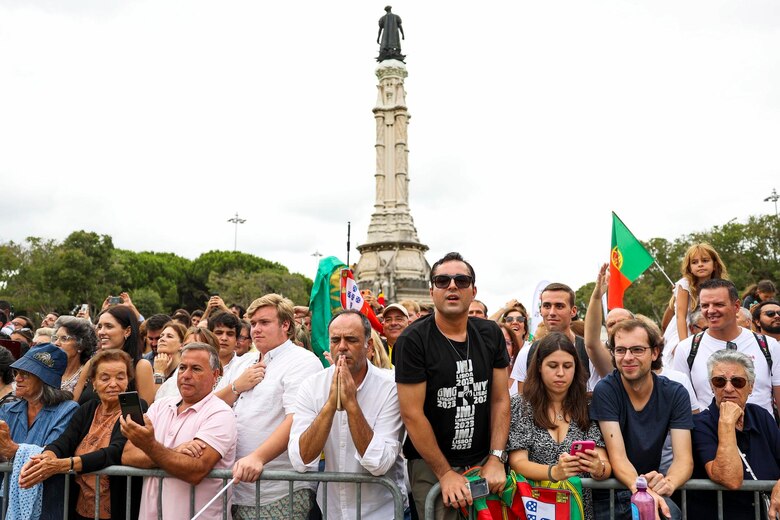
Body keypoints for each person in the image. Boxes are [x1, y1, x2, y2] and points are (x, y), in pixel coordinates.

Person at [395, 252, 510, 520]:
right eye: (443, 280)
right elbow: (412, 414)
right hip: (431, 465)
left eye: (461, 280)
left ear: (473, 290)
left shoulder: (490, 333)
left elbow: (500, 400)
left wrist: (496, 458)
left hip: (483, 461)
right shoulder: (412, 341)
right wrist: (445, 473)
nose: (452, 286)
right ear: (431, 290)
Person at [288, 310, 407, 519]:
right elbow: (301, 460)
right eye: (335, 340)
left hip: (383, 513)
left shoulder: (391, 386)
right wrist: (331, 405)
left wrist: (351, 404)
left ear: (368, 346)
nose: (342, 347)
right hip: (331, 511)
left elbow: (379, 463)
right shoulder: (312, 385)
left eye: (351, 339)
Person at [228, 294, 323, 519]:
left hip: (281, 490)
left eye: (264, 322)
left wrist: (258, 457)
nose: (256, 329)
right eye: (253, 324)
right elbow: (212, 405)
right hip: (235, 490)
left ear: (286, 325)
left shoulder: (303, 361)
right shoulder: (241, 362)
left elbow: (298, 419)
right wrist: (235, 387)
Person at [19, 350, 142, 520]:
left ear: (128, 381)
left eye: (120, 377)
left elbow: (116, 452)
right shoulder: (88, 408)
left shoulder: (134, 409)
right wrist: (47, 458)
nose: (113, 384)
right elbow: (64, 441)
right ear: (94, 383)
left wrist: (64, 464)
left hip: (117, 508)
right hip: (80, 506)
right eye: (105, 378)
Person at [590, 319, 693, 520]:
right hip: (610, 493)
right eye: (620, 350)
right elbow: (618, 457)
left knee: (670, 514)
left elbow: (684, 459)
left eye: (637, 350)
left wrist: (669, 482)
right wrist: (643, 491)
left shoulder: (675, 393)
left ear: (655, 353)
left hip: (647, 488)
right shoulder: (606, 390)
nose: (628, 357)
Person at [121, 343, 237, 520]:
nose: (186, 375)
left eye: (196, 369)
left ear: (215, 375)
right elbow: (128, 455)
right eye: (182, 367)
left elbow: (195, 470)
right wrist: (173, 452)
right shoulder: (161, 405)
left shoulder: (220, 413)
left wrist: (150, 446)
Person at [508, 333, 611, 520]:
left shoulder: (589, 405)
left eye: (568, 366)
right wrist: (555, 472)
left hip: (577, 510)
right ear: (539, 367)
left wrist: (598, 468)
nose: (561, 373)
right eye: (553, 366)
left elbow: (604, 463)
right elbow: (518, 462)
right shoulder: (521, 405)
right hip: (533, 508)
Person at [688, 349, 780, 519]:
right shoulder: (700, 424)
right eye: (719, 381)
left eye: (737, 382)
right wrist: (727, 424)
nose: (728, 388)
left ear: (750, 386)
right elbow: (730, 479)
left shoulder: (761, 416)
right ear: (711, 386)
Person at [673, 279, 780, 415]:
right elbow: (683, 407)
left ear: (736, 306)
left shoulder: (769, 346)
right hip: (709, 433)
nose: (710, 311)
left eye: (718, 304)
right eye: (705, 306)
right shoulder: (686, 349)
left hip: (761, 433)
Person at [0, 344, 79, 520]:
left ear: (45, 380)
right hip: (7, 502)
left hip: (49, 502)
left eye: (25, 374)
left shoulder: (67, 410)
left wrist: (13, 450)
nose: (17, 379)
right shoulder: (8, 409)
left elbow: (52, 451)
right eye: (16, 373)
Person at [512, 283, 612, 394]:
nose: (552, 313)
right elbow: (523, 404)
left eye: (559, 306)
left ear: (573, 311)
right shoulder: (527, 354)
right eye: (547, 306)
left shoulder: (590, 353)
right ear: (540, 310)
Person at [74, 306, 156, 406]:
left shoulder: (141, 366)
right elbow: (74, 403)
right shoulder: (92, 363)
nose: (101, 332)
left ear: (127, 331)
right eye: (99, 327)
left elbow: (145, 412)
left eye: (109, 326)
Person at [662, 243, 728, 365]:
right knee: (683, 360)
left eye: (705, 260)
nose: (700, 265)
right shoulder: (684, 284)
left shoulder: (721, 285)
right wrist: (684, 344)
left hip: (710, 327)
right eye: (695, 262)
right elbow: (680, 316)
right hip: (683, 328)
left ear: (714, 264)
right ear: (689, 267)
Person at [51, 316, 96, 392]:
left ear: (80, 346)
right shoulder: (48, 370)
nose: (56, 343)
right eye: (55, 338)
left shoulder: (88, 376)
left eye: (64, 339)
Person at [152, 322, 188, 400]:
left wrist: (159, 373)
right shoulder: (153, 366)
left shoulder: (184, 372)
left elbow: (157, 400)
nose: (162, 339)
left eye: (169, 336)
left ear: (181, 345)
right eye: (161, 336)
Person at [499, 323, 522, 396]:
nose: (501, 347)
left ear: (513, 348)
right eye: (496, 342)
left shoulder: (522, 376)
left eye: (507, 343)